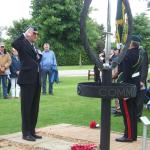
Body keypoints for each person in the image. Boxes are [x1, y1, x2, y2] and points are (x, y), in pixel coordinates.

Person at [12, 26, 42, 141]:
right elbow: (14, 43)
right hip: (27, 80)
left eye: (36, 34)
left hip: (36, 80)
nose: (36, 36)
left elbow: (35, 60)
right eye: (34, 34)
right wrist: (24, 34)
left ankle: (32, 131)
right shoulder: (22, 44)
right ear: (29, 34)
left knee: (34, 107)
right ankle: (26, 133)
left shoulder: (34, 46)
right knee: (26, 107)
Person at [113, 35, 143, 142]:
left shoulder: (127, 55)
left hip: (126, 88)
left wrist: (124, 91)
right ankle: (133, 135)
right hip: (135, 86)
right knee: (133, 112)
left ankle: (128, 136)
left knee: (127, 113)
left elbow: (126, 74)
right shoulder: (140, 54)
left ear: (131, 43)